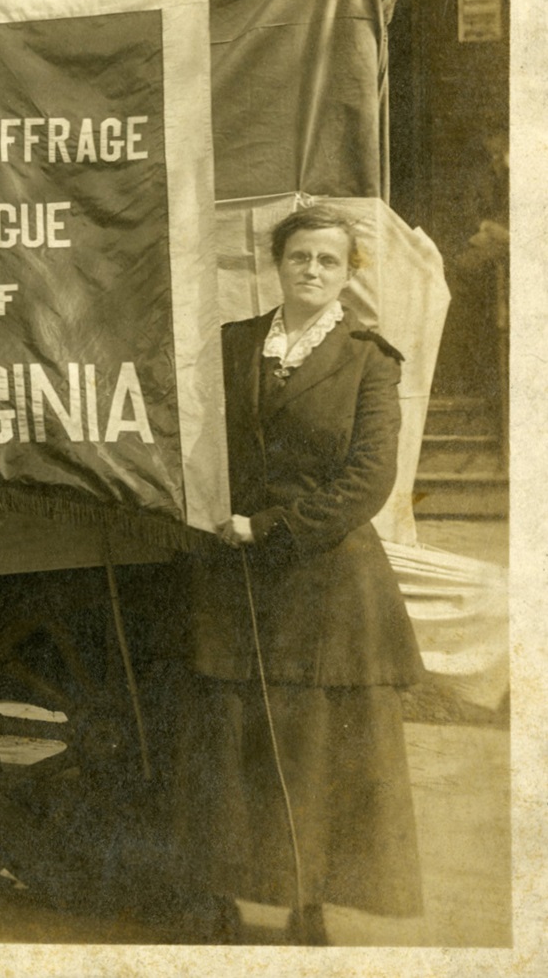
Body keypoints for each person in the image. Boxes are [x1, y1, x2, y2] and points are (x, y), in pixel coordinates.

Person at [177, 204, 425, 945]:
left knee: (317, 751)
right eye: (298, 257)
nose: (311, 270)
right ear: (275, 264)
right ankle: (220, 892)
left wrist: (270, 528)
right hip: (234, 574)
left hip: (325, 579)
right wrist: (219, 513)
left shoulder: (367, 358)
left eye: (327, 259)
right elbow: (197, 438)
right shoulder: (230, 345)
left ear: (346, 271)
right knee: (230, 739)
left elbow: (367, 479)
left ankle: (305, 902)